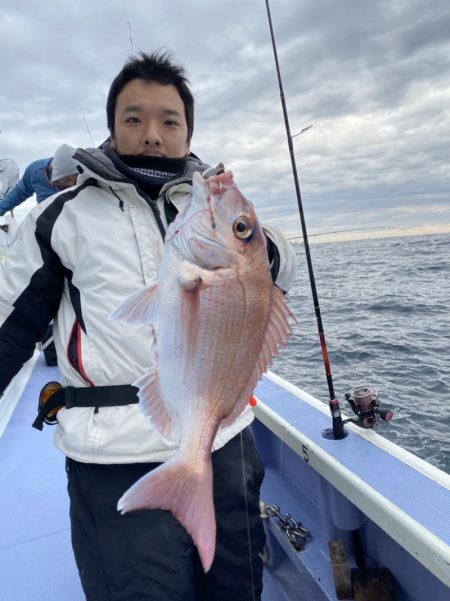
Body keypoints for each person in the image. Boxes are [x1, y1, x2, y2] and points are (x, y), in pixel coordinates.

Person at [0, 51, 297, 601]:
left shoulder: (209, 207)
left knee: (237, 591)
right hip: (115, 455)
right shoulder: (61, 217)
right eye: (133, 119)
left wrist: (250, 248)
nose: (152, 135)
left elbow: (272, 265)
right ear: (111, 128)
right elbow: (10, 329)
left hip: (224, 445)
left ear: (188, 134)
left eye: (170, 121)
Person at [0, 144, 78, 217]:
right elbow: (18, 193)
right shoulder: (35, 171)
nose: (71, 184)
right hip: (49, 222)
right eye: (67, 179)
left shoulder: (86, 174)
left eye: (75, 179)